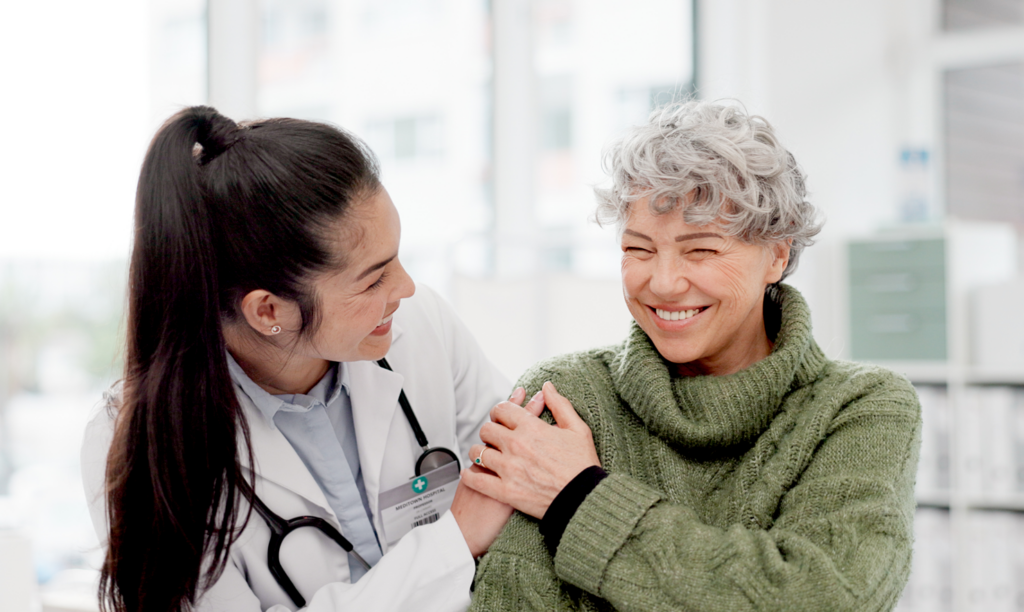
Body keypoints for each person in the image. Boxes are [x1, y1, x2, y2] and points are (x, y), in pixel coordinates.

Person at [463, 100, 921, 611]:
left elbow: (822, 597)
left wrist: (579, 498)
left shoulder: (862, 407)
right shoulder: (568, 394)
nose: (662, 282)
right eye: (638, 250)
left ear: (777, 254)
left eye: (700, 250)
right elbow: (514, 600)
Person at [80, 106, 534, 612]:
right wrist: (453, 541)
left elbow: (521, 484)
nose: (404, 288)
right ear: (268, 310)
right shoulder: (140, 440)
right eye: (373, 279)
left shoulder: (420, 327)